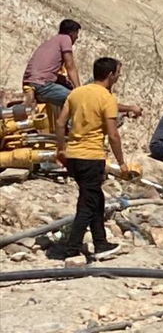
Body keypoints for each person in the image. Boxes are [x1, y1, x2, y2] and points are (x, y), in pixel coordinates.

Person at [49, 57, 128, 261]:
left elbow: (59, 124)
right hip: (91, 157)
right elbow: (113, 135)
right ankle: (72, 248)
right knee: (86, 204)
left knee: (96, 199)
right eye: (118, 72)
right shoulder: (106, 98)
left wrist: (60, 149)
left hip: (73, 156)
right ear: (110, 74)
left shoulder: (77, 93)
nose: (119, 76)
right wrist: (122, 163)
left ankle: (100, 242)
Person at [23, 19, 82, 108]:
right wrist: (79, 90)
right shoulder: (65, 39)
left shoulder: (53, 40)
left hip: (30, 83)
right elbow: (70, 66)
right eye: (76, 34)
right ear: (72, 33)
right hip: (42, 85)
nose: (77, 37)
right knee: (75, 99)